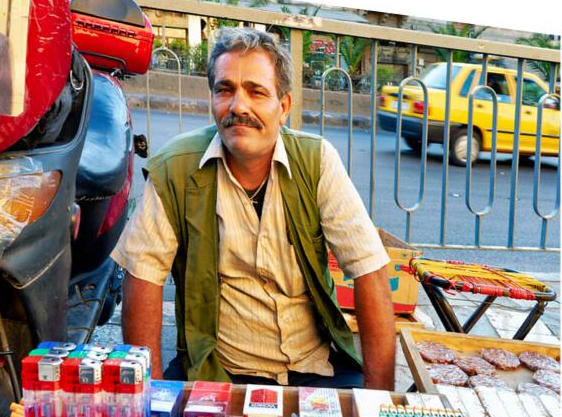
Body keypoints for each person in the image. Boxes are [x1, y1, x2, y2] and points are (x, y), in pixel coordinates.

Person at [111, 27, 396, 390]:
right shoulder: (176, 168)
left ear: (284, 107)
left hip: (315, 367)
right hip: (215, 369)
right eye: (225, 90)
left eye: (256, 92)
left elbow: (369, 270)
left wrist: (380, 403)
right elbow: (142, 277)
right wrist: (149, 396)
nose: (238, 106)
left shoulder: (317, 161)